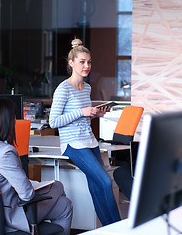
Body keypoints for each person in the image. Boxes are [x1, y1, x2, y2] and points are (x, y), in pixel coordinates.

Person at [0, 98, 73, 234]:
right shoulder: (4, 152)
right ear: (7, 122)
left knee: (65, 204)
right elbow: (27, 194)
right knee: (58, 186)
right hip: (10, 216)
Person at [49, 38, 121, 225]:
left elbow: (82, 118)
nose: (86, 66)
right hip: (73, 144)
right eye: (82, 62)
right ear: (71, 63)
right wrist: (82, 111)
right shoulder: (63, 89)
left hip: (89, 141)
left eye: (89, 62)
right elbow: (53, 121)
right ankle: (120, 229)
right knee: (105, 182)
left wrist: (95, 114)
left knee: (97, 187)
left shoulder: (86, 87)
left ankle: (107, 229)